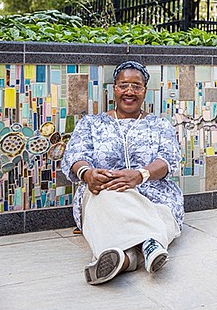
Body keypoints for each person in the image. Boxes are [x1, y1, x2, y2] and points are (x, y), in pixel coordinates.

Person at [61, 61, 183, 285]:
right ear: (114, 89)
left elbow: (169, 158)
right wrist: (88, 174)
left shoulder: (159, 125)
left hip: (154, 193)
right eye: (123, 85)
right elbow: (74, 156)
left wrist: (141, 175)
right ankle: (150, 243)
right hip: (106, 192)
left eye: (136, 86)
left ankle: (126, 258)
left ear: (145, 91)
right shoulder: (91, 123)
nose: (130, 91)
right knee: (106, 195)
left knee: (161, 209)